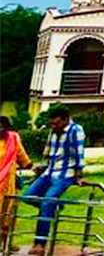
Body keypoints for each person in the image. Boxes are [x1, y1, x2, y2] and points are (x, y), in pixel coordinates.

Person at [21, 105, 85, 256]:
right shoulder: (53, 131)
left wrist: (78, 175)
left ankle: (40, 243)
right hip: (50, 171)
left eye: (56, 123)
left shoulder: (76, 131)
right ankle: (56, 205)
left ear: (66, 119)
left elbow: (79, 154)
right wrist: (41, 168)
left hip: (65, 174)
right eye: (52, 124)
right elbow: (48, 152)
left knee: (47, 202)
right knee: (28, 196)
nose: (53, 126)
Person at [0, 116, 33, 247]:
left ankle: (7, 244)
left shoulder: (13, 139)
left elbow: (22, 157)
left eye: (2, 126)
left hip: (8, 185)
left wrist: (32, 166)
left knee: (8, 216)